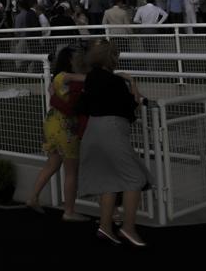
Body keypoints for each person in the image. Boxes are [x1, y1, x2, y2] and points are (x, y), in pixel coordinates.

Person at [77, 40, 150, 247]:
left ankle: (105, 226)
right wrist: (133, 85)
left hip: (93, 129)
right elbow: (130, 109)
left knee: (109, 181)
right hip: (113, 130)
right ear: (111, 57)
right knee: (135, 178)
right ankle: (128, 228)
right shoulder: (117, 82)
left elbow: (83, 105)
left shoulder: (91, 77)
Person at [27, 45, 89, 221]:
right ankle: (69, 211)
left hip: (52, 123)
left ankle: (33, 197)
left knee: (52, 163)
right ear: (70, 60)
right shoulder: (70, 78)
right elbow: (85, 84)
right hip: (66, 127)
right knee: (71, 171)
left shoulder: (57, 78)